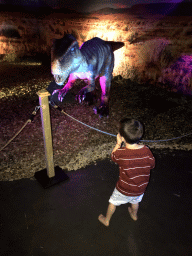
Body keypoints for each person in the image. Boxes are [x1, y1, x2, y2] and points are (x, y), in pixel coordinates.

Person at [98, 118, 155, 226]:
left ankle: (106, 220)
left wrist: (118, 144)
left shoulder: (121, 153)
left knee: (113, 203)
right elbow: (152, 165)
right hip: (140, 189)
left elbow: (113, 156)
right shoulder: (146, 150)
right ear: (140, 134)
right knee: (135, 202)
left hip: (123, 189)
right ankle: (134, 215)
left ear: (122, 137)